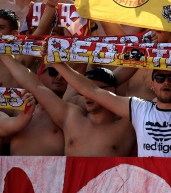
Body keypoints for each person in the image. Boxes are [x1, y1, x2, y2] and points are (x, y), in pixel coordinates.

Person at [50, 64, 171, 157]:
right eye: (160, 78)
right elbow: (90, 90)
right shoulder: (139, 108)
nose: (166, 83)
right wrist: (58, 64)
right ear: (152, 84)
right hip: (146, 186)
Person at [1, 59, 136, 156]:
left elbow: (156, 105)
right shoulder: (72, 117)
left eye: (93, 91)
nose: (87, 95)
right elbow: (36, 87)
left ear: (111, 91)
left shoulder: (129, 125)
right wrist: (5, 55)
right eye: (83, 91)